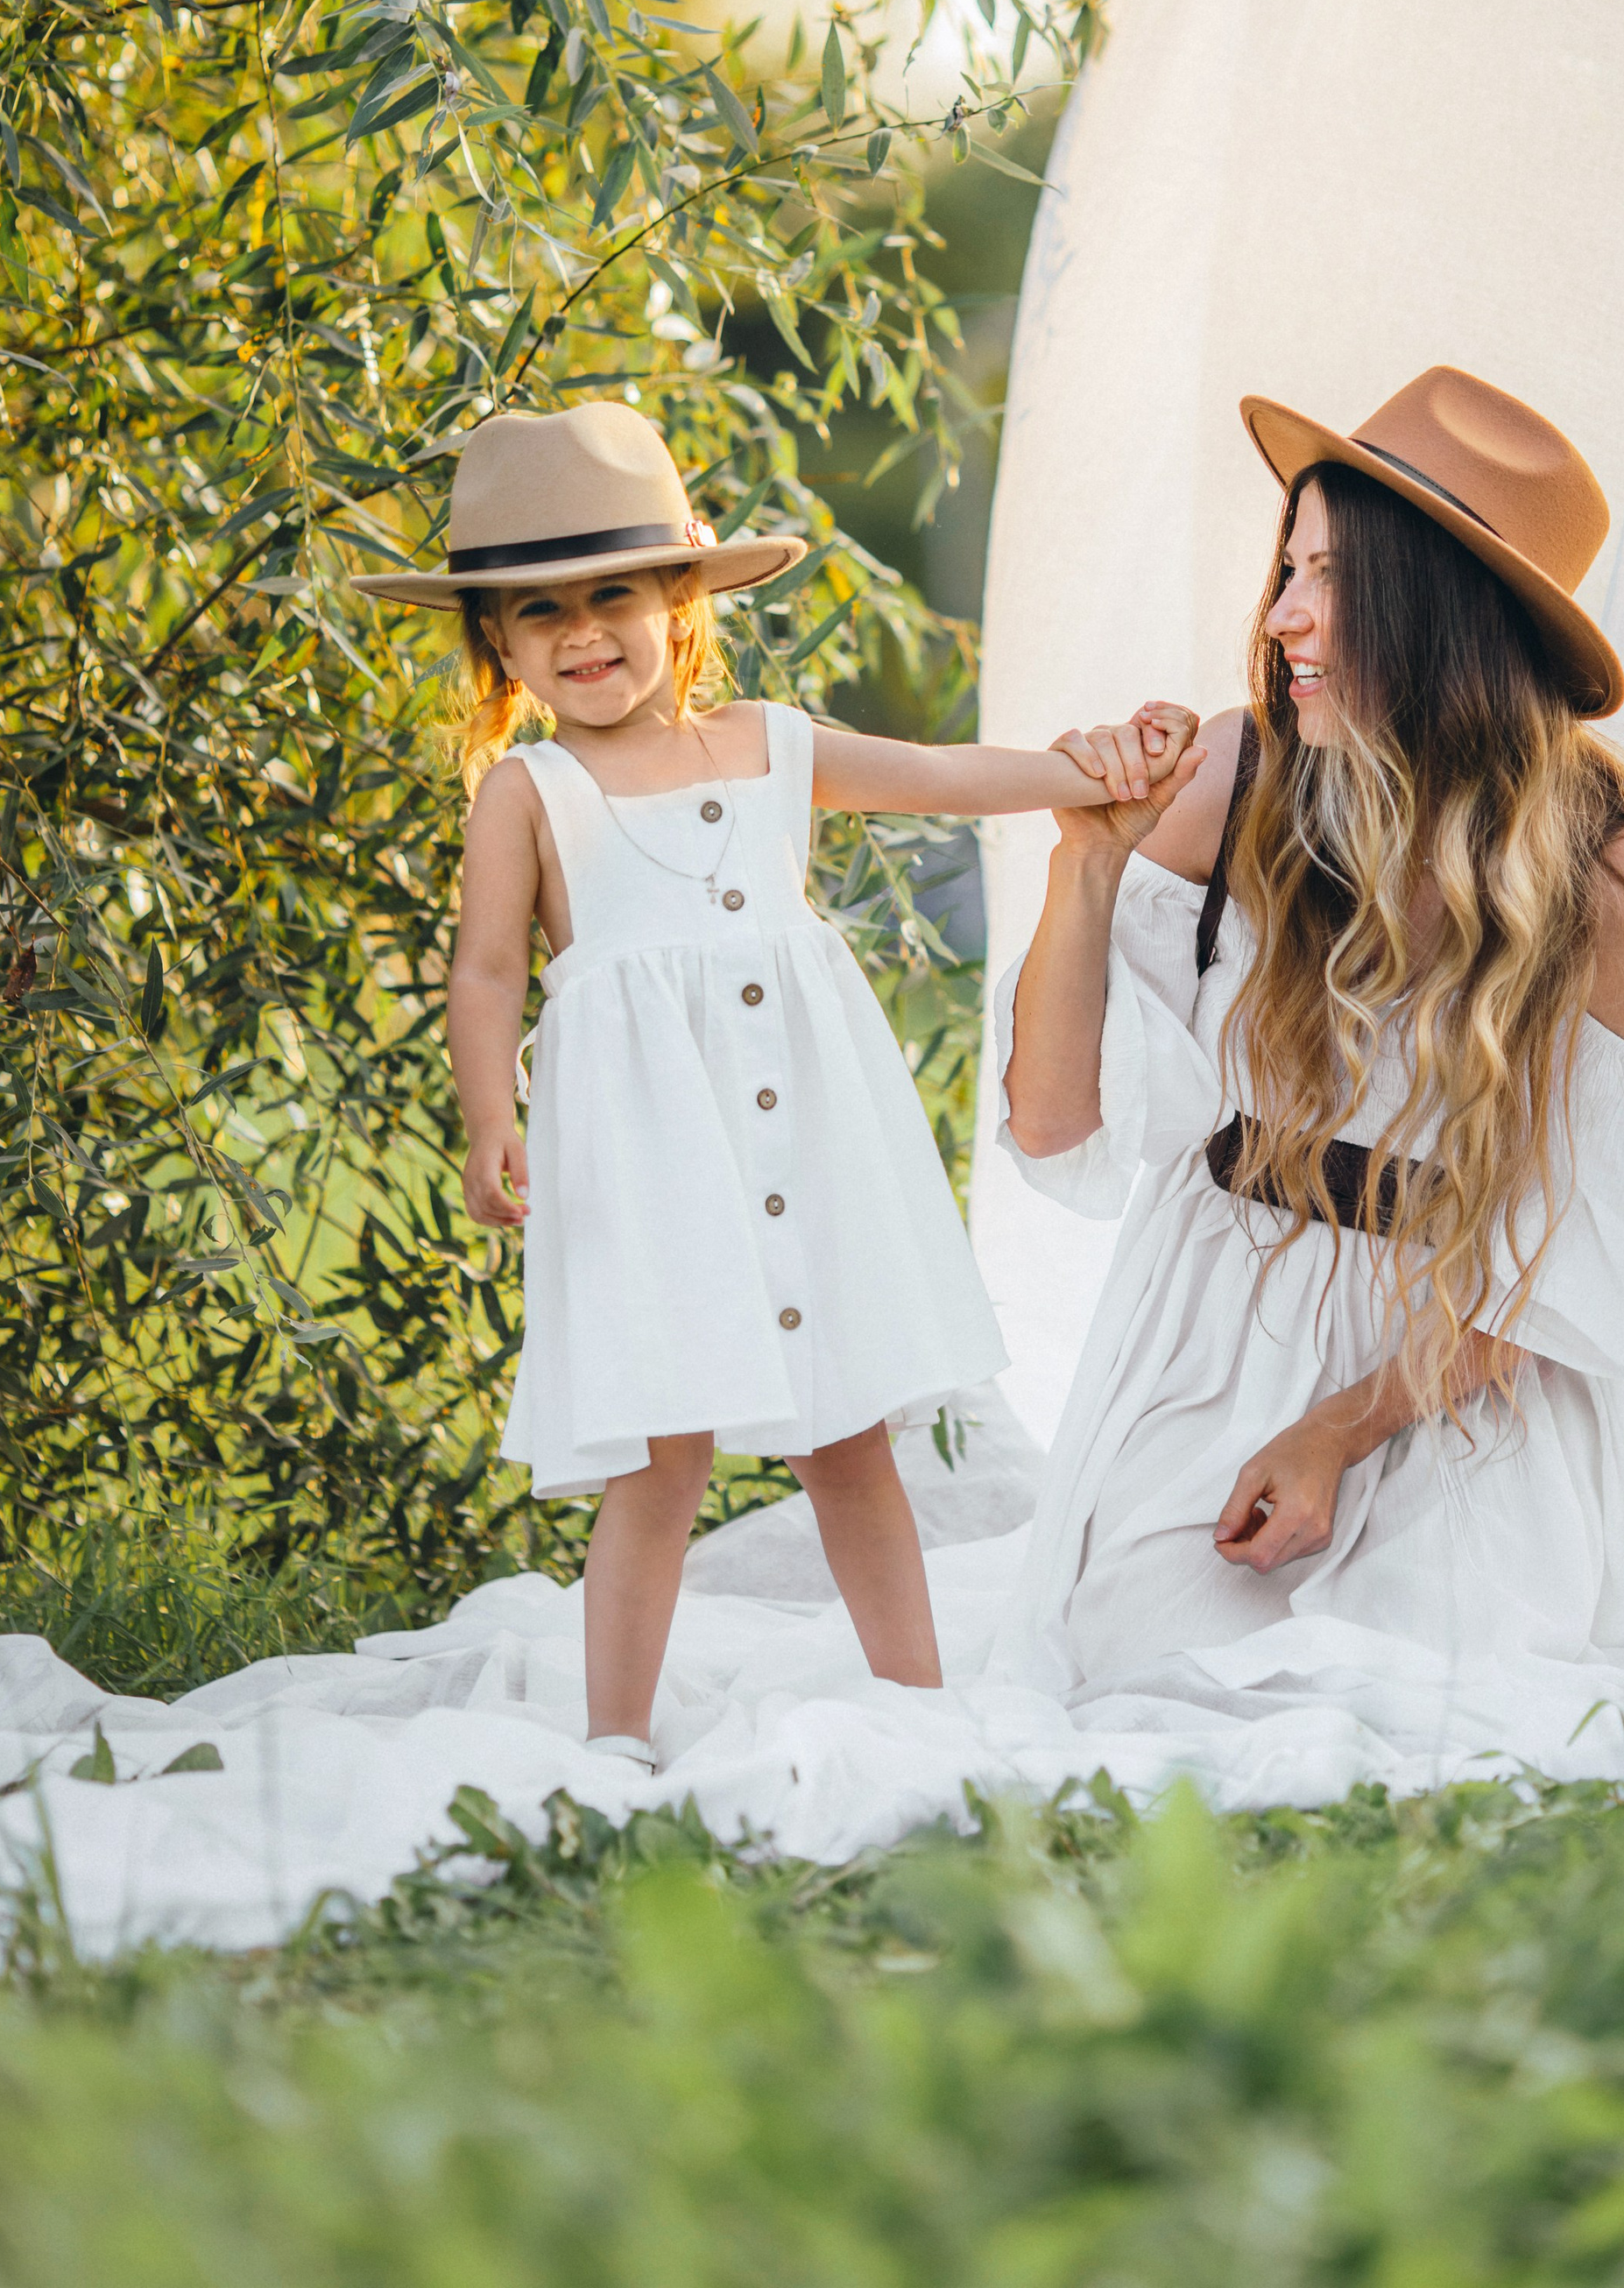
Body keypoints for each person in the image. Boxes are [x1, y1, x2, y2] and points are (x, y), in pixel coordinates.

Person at [353, 403, 1193, 1770]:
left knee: (849, 1437)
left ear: (679, 600)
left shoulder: (767, 744)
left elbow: (939, 776)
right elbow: (487, 971)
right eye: (539, 612)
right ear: (497, 644)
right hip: (655, 1169)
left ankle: (916, 1703)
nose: (581, 634)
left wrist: (1091, 769)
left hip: (809, 1145)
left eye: (612, 596)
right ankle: (617, 1733)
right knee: (661, 1457)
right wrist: (492, 1117)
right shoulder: (531, 793)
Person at [994, 365, 1624, 1724]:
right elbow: (1052, 1126)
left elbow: (1582, 1261)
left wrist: (1338, 1428)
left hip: (1462, 1372)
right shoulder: (1239, 781)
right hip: (1224, 1333)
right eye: (1288, 569)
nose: (1282, 617)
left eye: (1328, 579)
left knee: (1429, 1700)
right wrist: (1083, 867)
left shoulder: (1618, 892)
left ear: (1438, 611)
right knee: (1154, 1688)